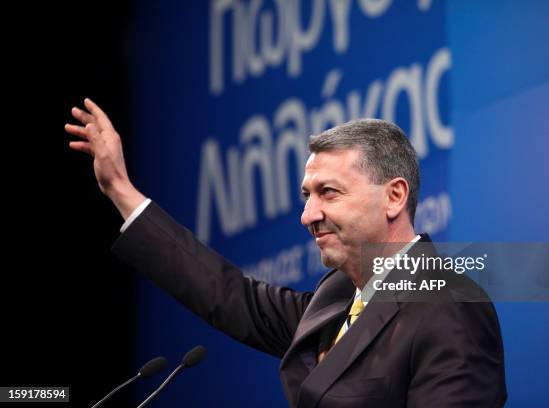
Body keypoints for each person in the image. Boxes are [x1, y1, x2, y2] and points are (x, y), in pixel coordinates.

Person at [66, 98, 507, 407]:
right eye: (306, 195)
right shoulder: (336, 297)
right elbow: (228, 295)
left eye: (328, 193)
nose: (308, 214)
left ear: (394, 197)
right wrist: (120, 191)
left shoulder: (449, 305)